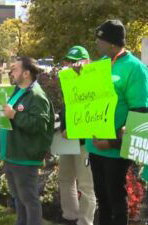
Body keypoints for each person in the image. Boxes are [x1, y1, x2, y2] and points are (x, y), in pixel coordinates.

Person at [85, 19, 148, 225]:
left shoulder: (134, 68)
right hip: (95, 147)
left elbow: (140, 113)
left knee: (115, 200)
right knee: (102, 199)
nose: (97, 44)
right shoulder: (98, 66)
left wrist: (112, 142)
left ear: (112, 43)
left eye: (100, 40)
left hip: (113, 150)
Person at [0, 56, 54, 225]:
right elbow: (7, 115)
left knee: (29, 199)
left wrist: (15, 115)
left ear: (26, 73)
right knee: (19, 198)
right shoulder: (18, 91)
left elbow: (39, 126)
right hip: (12, 154)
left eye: (15, 68)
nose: (11, 71)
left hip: (24, 156)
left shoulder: (37, 96)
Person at [58, 46, 96, 225]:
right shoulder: (69, 80)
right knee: (65, 178)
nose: (73, 65)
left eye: (77, 61)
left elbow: (94, 116)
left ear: (87, 61)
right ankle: (70, 216)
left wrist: (73, 130)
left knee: (86, 185)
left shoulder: (94, 82)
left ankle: (85, 221)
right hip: (67, 140)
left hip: (85, 142)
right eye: (70, 61)